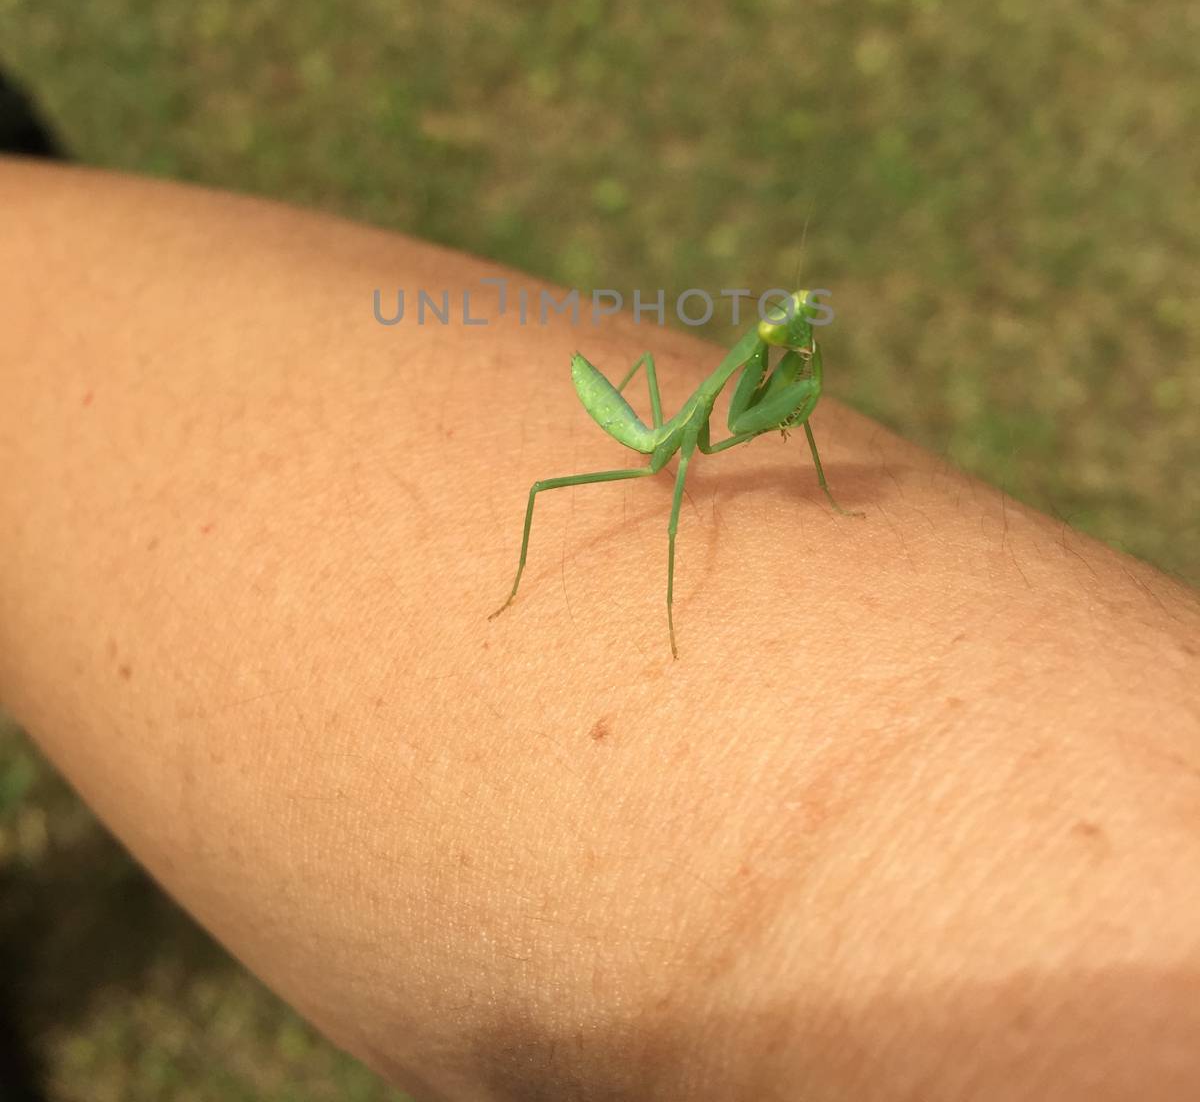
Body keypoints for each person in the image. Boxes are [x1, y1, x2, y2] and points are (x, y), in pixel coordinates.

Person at [0, 152, 1197, 1101]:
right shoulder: (720, 406)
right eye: (780, 333)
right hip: (631, 436)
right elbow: (707, 456)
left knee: (724, 461)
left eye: (788, 334)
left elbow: (784, 410)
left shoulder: (772, 381)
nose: (791, 342)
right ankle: (536, 580)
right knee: (581, 493)